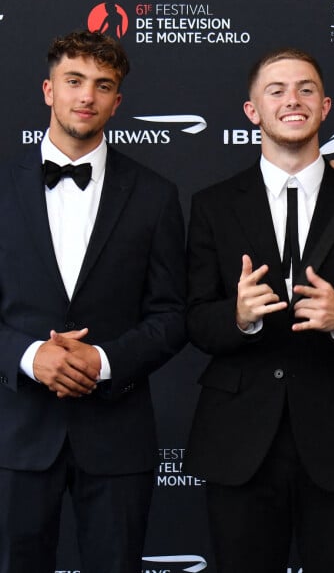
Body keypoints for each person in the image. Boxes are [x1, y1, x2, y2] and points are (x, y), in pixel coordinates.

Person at [183, 47, 334, 573]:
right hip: (239, 443)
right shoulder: (212, 205)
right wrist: (237, 316)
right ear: (251, 111)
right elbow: (193, 318)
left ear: (325, 107)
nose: (292, 100)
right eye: (276, 90)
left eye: (306, 89)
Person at [0, 30, 186, 572]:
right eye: (74, 81)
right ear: (47, 90)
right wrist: (30, 355)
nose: (87, 96)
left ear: (117, 101)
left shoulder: (155, 194)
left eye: (103, 86)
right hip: (17, 436)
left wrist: (102, 362)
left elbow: (172, 314)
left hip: (117, 437)